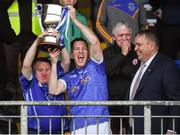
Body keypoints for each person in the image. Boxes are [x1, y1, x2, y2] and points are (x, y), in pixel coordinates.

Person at [48, 5, 111, 134]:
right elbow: (53, 90)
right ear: (71, 55)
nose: (81, 51)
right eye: (77, 49)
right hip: (77, 128)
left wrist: (75, 20)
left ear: (88, 53)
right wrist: (54, 63)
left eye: (83, 49)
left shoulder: (96, 66)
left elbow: (94, 42)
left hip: (100, 125)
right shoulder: (68, 77)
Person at [127, 30, 180, 134]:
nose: (135, 48)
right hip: (134, 129)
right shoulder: (139, 66)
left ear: (151, 45)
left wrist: (172, 130)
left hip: (157, 130)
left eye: (139, 45)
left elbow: (176, 99)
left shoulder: (166, 65)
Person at [19, 31, 70, 134]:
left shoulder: (57, 78)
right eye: (40, 70)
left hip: (59, 132)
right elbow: (26, 66)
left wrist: (61, 42)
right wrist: (37, 41)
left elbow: (66, 63)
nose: (44, 73)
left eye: (47, 70)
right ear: (34, 72)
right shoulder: (30, 83)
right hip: (36, 132)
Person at [103, 21, 138, 134]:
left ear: (131, 36)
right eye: (120, 35)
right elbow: (109, 71)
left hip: (133, 104)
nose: (124, 38)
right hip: (114, 106)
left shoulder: (136, 51)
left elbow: (134, 73)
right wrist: (123, 54)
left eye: (127, 35)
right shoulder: (107, 52)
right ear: (114, 37)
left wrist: (118, 69)